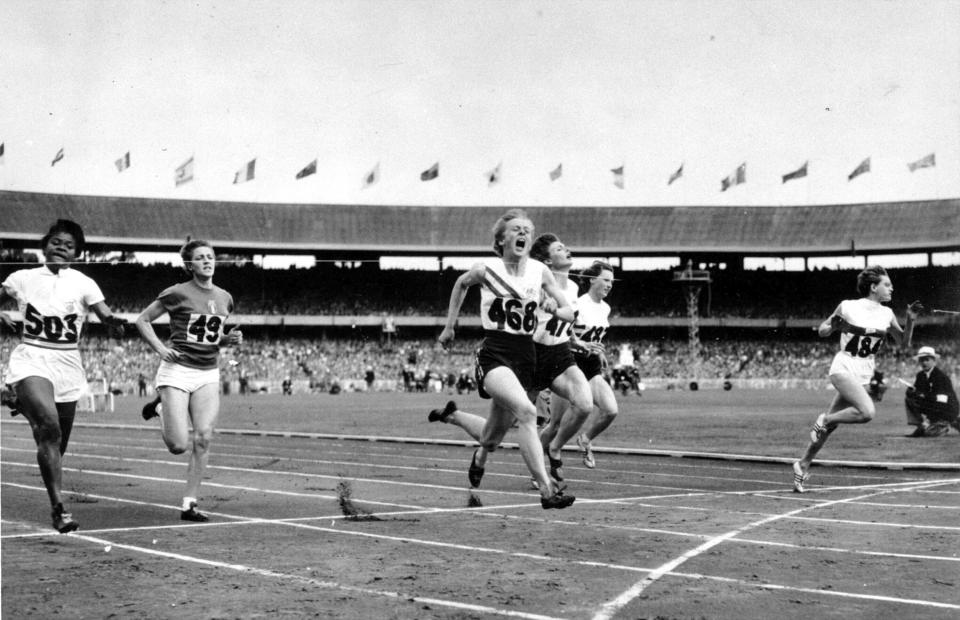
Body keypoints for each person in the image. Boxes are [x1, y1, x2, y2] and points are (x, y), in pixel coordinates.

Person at [435, 211, 577, 509]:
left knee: (491, 438)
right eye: (515, 229)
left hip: (525, 358)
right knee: (527, 412)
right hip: (495, 353)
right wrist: (450, 326)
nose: (523, 233)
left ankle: (452, 416)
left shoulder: (540, 271)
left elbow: (569, 313)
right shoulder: (487, 269)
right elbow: (461, 284)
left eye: (527, 229)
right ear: (501, 239)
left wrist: (552, 307)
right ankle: (547, 491)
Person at [0, 219, 125, 532]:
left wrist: (114, 322)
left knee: (55, 444)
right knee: (49, 426)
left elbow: (104, 311)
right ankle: (59, 509)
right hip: (32, 358)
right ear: (45, 246)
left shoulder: (83, 282)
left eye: (68, 245)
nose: (61, 248)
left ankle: (17, 400)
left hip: (67, 364)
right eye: (56, 242)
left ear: (76, 253)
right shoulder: (22, 277)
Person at [136, 239, 242, 521]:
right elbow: (142, 320)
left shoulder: (225, 298)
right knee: (178, 445)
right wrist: (160, 348)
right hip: (178, 371)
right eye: (200, 257)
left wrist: (227, 339)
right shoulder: (176, 293)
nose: (207, 261)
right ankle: (160, 407)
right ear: (189, 265)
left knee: (204, 438)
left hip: (207, 372)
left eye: (210, 256)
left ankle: (190, 503)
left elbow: (208, 335)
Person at [792, 265, 920, 493]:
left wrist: (909, 320)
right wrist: (833, 328)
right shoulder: (848, 306)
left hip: (863, 373)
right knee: (866, 412)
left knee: (828, 430)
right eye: (887, 285)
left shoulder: (887, 313)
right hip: (843, 367)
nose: (892, 288)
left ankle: (802, 464)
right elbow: (822, 330)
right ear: (873, 287)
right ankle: (826, 419)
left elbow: (904, 344)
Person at [551, 260, 619, 470]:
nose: (609, 285)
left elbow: (595, 337)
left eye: (612, 281)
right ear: (592, 280)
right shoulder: (578, 304)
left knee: (610, 410)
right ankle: (546, 465)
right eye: (605, 280)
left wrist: (599, 353)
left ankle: (586, 439)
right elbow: (562, 332)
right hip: (569, 365)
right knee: (555, 424)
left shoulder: (605, 308)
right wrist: (578, 344)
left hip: (590, 368)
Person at [904, 346, 959, 437]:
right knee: (910, 398)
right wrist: (911, 391)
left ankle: (948, 422)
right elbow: (917, 392)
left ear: (934, 361)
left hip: (947, 409)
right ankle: (921, 425)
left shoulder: (941, 377)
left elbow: (942, 400)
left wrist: (923, 395)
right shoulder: (920, 375)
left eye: (927, 359)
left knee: (929, 434)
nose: (924, 362)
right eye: (921, 360)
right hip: (933, 406)